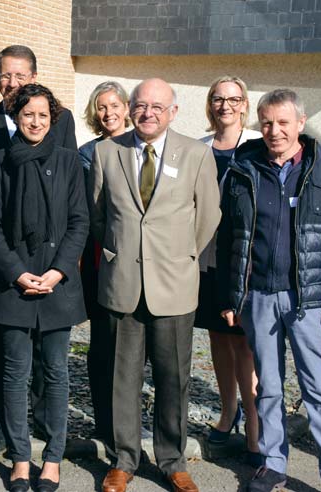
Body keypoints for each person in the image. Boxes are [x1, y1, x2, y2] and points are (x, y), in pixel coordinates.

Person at [218, 89, 321, 492]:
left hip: (308, 302)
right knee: (269, 390)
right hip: (259, 296)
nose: (274, 131)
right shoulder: (244, 167)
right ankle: (273, 462)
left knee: (318, 392)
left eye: (282, 122)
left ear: (300, 122)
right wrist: (232, 297)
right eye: (266, 123)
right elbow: (231, 239)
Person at [91, 78, 219, 492]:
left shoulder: (198, 154)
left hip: (174, 284)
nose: (148, 113)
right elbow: (97, 215)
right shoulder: (106, 152)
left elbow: (208, 217)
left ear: (174, 112)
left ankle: (172, 460)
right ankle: (124, 460)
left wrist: (180, 257)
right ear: (130, 108)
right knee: (121, 379)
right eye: (140, 105)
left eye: (158, 106)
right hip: (122, 283)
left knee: (173, 379)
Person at [0, 45, 77, 455]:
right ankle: (1, 429)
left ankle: (42, 424)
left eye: (20, 76)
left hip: (49, 260)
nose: (13, 83)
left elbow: (71, 201)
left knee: (49, 358)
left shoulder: (60, 124)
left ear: (35, 78)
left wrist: (60, 267)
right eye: (6, 75)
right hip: (0, 260)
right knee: (0, 353)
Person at [0, 83, 88, 492]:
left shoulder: (68, 162)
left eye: (44, 115)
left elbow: (80, 221)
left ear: (53, 118)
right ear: (16, 116)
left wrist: (60, 271)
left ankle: (53, 460)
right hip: (14, 286)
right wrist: (15, 271)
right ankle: (20, 459)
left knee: (57, 372)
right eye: (28, 114)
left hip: (57, 285)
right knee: (14, 375)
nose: (36, 121)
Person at [195, 76, 261, 463]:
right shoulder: (199, 147)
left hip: (242, 259)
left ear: (244, 104)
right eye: (218, 99)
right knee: (218, 338)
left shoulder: (255, 146)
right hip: (206, 259)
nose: (225, 105)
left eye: (233, 99)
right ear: (210, 105)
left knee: (243, 340)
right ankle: (227, 411)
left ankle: (253, 420)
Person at [78, 81, 132, 452]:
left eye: (114, 105)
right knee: (102, 345)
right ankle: (105, 423)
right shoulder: (87, 153)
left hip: (141, 263)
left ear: (127, 107)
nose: (109, 112)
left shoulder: (142, 147)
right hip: (100, 261)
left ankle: (129, 423)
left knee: (132, 347)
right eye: (101, 107)